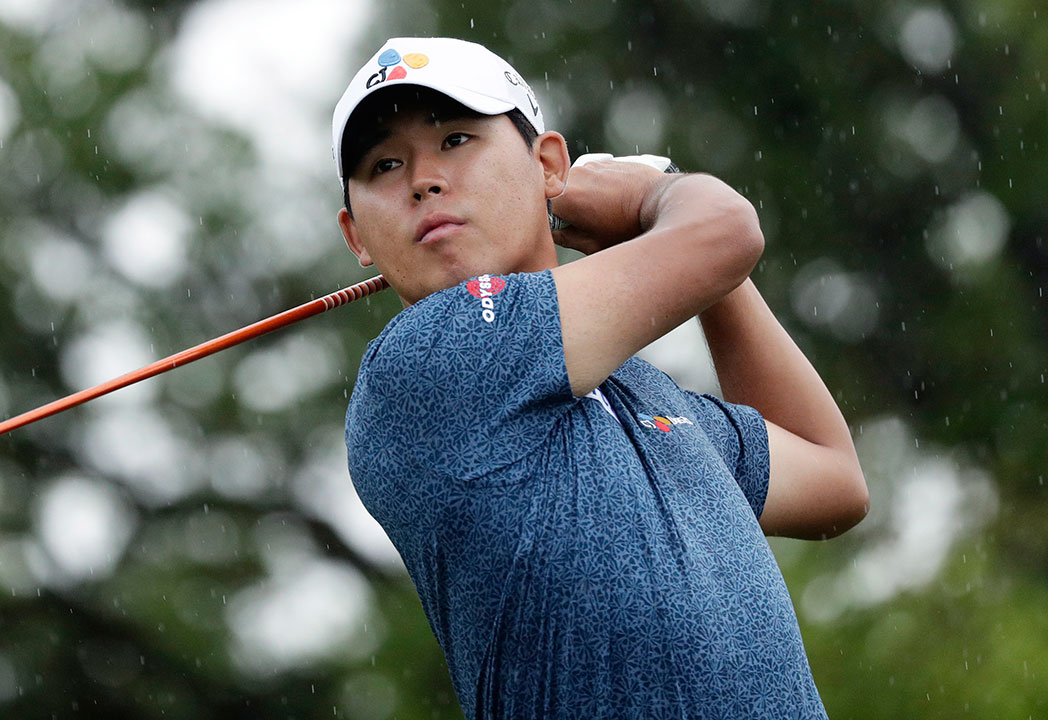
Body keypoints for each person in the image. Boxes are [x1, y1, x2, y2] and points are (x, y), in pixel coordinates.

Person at [332, 37, 868, 719]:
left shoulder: (645, 395)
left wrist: (711, 278)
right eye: (385, 164)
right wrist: (657, 195)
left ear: (547, 163)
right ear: (356, 235)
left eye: (457, 138)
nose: (423, 179)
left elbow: (834, 479)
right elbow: (729, 228)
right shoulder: (430, 362)